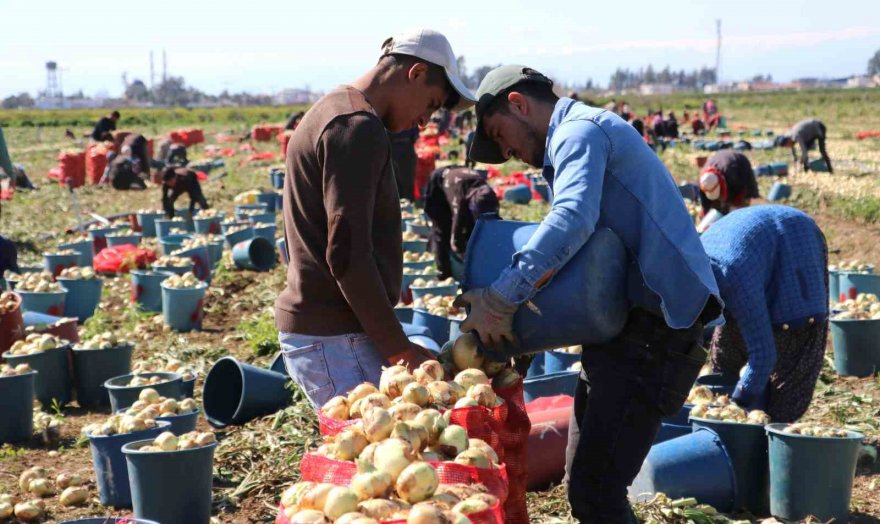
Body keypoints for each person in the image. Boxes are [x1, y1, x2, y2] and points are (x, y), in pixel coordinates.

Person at [462, 65, 722, 523]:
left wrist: (501, 299)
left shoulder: (579, 132)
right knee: (586, 481)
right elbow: (583, 264)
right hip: (627, 330)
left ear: (519, 104)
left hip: (656, 331)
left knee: (596, 490)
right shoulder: (576, 137)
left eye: (501, 134)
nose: (509, 151)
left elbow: (571, 220)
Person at [273, 28, 475, 408]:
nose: (424, 121)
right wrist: (399, 349)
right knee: (372, 461)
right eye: (430, 104)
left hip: (332, 329)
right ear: (414, 73)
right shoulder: (356, 126)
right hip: (333, 334)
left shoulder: (337, 109)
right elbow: (347, 254)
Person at [701, 205, 828, 422]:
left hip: (796, 247)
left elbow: (763, 355)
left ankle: (769, 443)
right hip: (752, 253)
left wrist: (736, 405)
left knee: (787, 388)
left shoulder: (731, 276)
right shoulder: (692, 269)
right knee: (725, 359)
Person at [423, 166, 499, 280]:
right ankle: (443, 274)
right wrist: (465, 258)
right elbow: (456, 235)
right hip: (441, 182)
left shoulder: (489, 196)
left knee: (473, 230)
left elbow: (494, 228)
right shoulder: (459, 200)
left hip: (461, 182)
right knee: (441, 228)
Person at [698, 150, 760, 215]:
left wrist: (737, 207)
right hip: (721, 159)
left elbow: (741, 193)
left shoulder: (733, 176)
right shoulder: (703, 181)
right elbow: (705, 205)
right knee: (718, 207)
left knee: (746, 198)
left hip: (740, 163)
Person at [390, 127, 419, 201]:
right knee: (401, 178)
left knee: (405, 178)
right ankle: (406, 200)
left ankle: (407, 200)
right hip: (400, 147)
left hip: (401, 147)